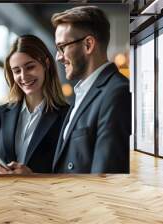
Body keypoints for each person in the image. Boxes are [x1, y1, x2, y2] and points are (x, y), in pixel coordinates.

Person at [0, 34, 69, 174]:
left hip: (43, 195)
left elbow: (70, 173)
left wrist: (32, 177)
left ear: (46, 64)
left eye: (30, 67)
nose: (23, 76)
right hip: (2, 195)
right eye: (17, 71)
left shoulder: (67, 116)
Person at [51, 6, 131, 173]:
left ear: (88, 44)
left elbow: (105, 178)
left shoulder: (117, 93)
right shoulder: (82, 93)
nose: (58, 57)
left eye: (62, 47)